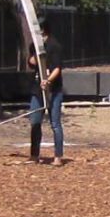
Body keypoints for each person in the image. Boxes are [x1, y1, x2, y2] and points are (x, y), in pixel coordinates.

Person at [28, 30, 67, 164]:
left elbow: (57, 68)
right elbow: (31, 62)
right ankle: (34, 155)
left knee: (55, 123)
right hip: (37, 89)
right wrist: (32, 59)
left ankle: (58, 156)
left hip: (54, 90)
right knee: (35, 122)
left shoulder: (55, 46)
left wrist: (48, 81)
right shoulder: (34, 46)